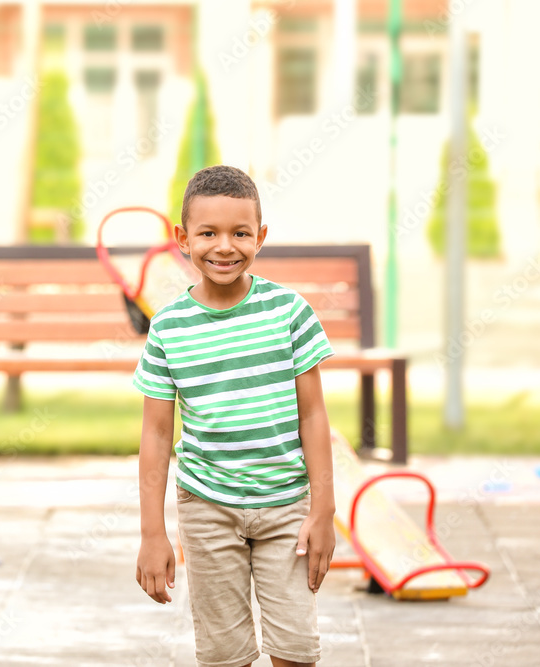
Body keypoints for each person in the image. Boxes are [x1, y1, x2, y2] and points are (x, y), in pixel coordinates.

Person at [133, 165, 336, 667]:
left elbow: (314, 417)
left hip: (286, 504)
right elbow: (157, 436)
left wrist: (323, 511)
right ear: (183, 239)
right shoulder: (168, 328)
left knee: (295, 649)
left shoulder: (288, 312)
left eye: (240, 233)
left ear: (260, 237)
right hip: (207, 508)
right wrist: (152, 533)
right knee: (224, 654)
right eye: (208, 233)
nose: (225, 246)